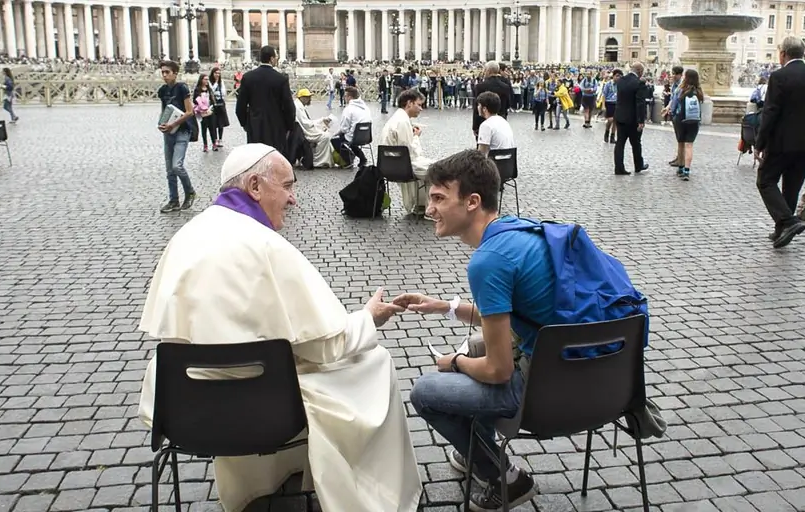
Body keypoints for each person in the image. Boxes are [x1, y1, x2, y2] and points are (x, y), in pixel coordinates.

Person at [137, 144, 423, 512]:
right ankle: (374, 495)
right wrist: (368, 317)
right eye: (288, 186)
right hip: (266, 410)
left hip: (185, 409)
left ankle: (268, 475)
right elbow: (326, 346)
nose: (293, 200)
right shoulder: (265, 245)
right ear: (255, 185)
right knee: (376, 361)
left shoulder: (185, 237)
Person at [394, 149, 560, 511]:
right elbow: (508, 314)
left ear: (472, 202)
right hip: (597, 380)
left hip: (548, 394)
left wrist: (453, 363)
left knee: (425, 391)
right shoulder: (523, 233)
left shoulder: (488, 261)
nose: (428, 208)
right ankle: (475, 451)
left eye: (438, 198)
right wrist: (445, 306)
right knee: (476, 344)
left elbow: (499, 371)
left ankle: (507, 478)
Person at [755, 36, 805, 248]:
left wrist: (760, 143)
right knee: (792, 187)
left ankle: (787, 222)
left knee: (766, 181)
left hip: (780, 142)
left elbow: (770, 112)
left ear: (783, 53)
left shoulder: (779, 76)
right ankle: (781, 229)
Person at [381, 88, 437, 217]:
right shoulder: (402, 121)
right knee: (437, 169)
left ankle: (421, 204)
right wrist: (416, 136)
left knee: (432, 165)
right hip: (401, 166)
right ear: (409, 103)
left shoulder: (397, 118)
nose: (421, 109)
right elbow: (409, 151)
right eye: (419, 105)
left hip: (389, 163)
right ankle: (430, 210)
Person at [235, 45, 296, 159]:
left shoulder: (248, 77)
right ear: (272, 59)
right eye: (276, 57)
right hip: (277, 126)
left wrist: (245, 124)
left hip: (255, 125)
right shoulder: (280, 79)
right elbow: (289, 107)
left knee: (256, 159)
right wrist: (289, 126)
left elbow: (240, 106)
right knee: (274, 158)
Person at [156, 60, 197, 213]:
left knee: (177, 166)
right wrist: (162, 123)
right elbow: (164, 110)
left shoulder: (182, 88)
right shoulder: (162, 90)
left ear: (175, 73)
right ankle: (174, 200)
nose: (165, 75)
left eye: (167, 72)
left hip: (182, 131)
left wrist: (173, 124)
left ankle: (190, 192)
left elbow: (189, 111)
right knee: (169, 170)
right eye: (163, 72)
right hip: (169, 132)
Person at [613, 62, 650, 175]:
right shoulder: (639, 83)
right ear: (639, 71)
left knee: (620, 143)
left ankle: (619, 168)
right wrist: (641, 121)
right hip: (633, 119)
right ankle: (638, 165)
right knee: (636, 143)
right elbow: (640, 103)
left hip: (620, 116)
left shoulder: (621, 81)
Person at [668, 68, 704, 181]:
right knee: (689, 145)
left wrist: (672, 114)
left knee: (681, 144)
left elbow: (674, 104)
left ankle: (680, 167)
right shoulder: (699, 91)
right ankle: (687, 171)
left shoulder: (681, 89)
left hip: (680, 120)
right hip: (694, 120)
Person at [331, 86, 372, 168]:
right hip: (366, 136)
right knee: (352, 136)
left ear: (350, 97)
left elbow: (344, 129)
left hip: (354, 137)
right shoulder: (366, 107)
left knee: (335, 140)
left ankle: (348, 160)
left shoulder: (348, 109)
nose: (344, 98)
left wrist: (335, 134)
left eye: (345, 96)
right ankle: (362, 158)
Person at [293, 88, 335, 168]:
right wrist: (321, 121)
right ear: (303, 98)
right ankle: (319, 161)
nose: (310, 99)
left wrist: (321, 124)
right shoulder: (298, 108)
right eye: (308, 97)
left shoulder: (299, 106)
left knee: (325, 133)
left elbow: (307, 123)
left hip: (304, 130)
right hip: (304, 132)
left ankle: (323, 160)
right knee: (325, 136)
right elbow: (306, 124)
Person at [472, 61, 511, 140]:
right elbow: (508, 104)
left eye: (485, 70)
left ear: (488, 71)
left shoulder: (480, 87)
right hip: (501, 121)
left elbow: (477, 108)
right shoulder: (505, 87)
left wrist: (475, 126)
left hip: (483, 122)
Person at [193, 74, 218, 153]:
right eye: (205, 79)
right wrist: (201, 105)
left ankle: (214, 144)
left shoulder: (209, 89)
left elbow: (212, 98)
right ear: (201, 80)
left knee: (213, 128)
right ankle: (205, 145)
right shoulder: (197, 89)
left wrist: (212, 106)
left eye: (207, 79)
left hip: (210, 111)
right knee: (204, 129)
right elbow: (195, 100)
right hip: (202, 112)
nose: (207, 81)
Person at [666, 66, 685, 167]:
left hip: (679, 114)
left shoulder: (682, 85)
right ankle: (679, 157)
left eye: (674, 74)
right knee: (678, 138)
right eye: (672, 73)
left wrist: (671, 109)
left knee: (681, 138)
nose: (672, 76)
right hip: (674, 113)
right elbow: (672, 98)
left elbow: (677, 100)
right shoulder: (674, 85)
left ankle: (681, 159)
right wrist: (667, 108)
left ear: (680, 75)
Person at [207, 67, 231, 149]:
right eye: (216, 73)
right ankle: (215, 139)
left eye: (219, 73)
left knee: (221, 122)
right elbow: (211, 91)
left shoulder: (222, 82)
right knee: (213, 122)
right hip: (213, 104)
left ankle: (220, 139)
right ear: (212, 73)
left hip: (220, 103)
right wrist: (216, 83)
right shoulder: (209, 82)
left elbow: (223, 92)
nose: (217, 75)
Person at [601, 69, 622, 143]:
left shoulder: (620, 85)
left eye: (620, 76)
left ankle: (612, 136)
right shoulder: (608, 84)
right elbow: (604, 95)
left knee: (615, 121)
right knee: (610, 120)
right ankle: (607, 132)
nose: (618, 78)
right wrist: (603, 106)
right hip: (609, 103)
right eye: (617, 76)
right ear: (613, 76)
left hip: (617, 103)